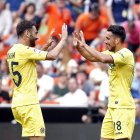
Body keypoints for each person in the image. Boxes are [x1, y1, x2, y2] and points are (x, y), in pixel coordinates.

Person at [7, 20, 68, 140]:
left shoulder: (12, 51)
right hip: (29, 103)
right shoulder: (24, 50)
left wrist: (45, 46)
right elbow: (52, 56)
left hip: (18, 103)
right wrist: (63, 39)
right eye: (35, 32)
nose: (37, 36)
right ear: (27, 33)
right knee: (38, 137)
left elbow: (30, 60)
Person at [73, 25, 135, 140]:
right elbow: (91, 57)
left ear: (116, 40)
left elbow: (103, 59)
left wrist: (85, 45)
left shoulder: (126, 54)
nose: (105, 41)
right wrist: (79, 47)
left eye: (107, 38)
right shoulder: (112, 53)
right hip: (111, 107)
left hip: (123, 107)